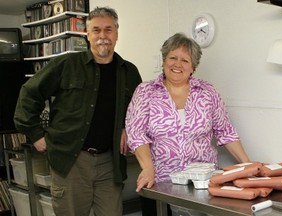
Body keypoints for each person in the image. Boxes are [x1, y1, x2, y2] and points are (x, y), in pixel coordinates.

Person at [14, 7, 142, 216]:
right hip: (71, 160)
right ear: (87, 34)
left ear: (116, 33)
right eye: (96, 30)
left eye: (108, 30)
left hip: (110, 163)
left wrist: (127, 127)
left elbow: (139, 110)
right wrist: (36, 134)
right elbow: (29, 93)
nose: (103, 36)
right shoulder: (66, 65)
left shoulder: (129, 71)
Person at [125, 33, 250, 216]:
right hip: (159, 182)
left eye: (185, 60)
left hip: (202, 185)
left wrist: (248, 165)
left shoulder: (207, 92)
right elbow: (136, 133)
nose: (178, 64)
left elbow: (226, 132)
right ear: (163, 60)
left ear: (193, 67)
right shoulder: (146, 92)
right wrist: (147, 168)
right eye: (172, 58)